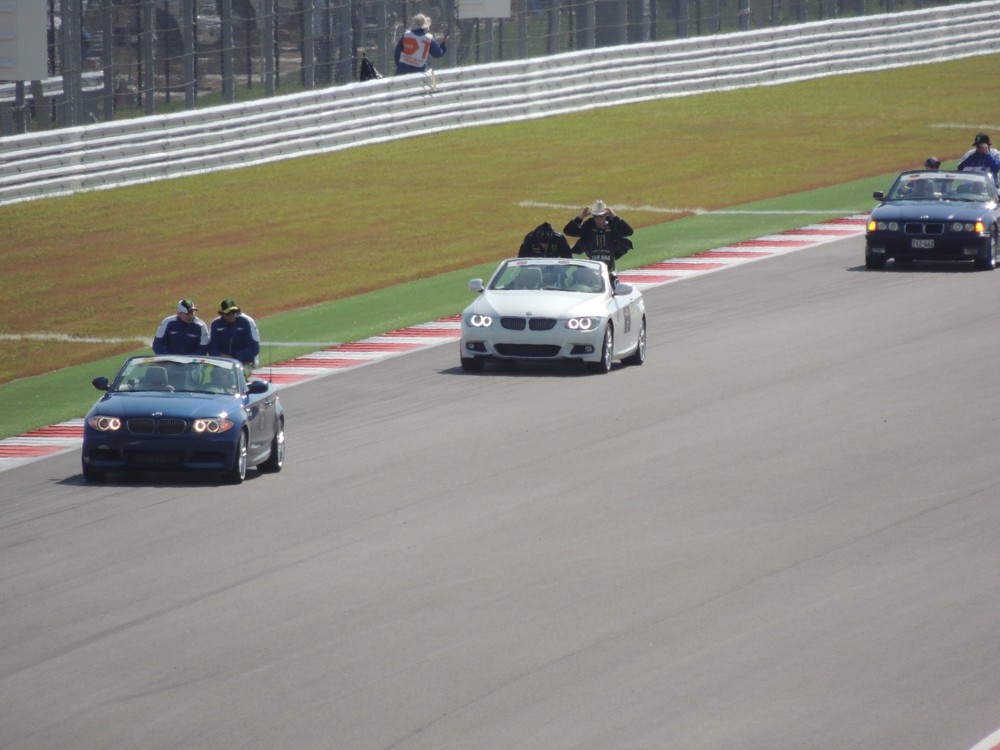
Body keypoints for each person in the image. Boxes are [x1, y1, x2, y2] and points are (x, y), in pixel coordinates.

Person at [563, 200, 634, 279]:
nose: (598, 219)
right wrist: (581, 216)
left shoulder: (613, 226)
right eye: (596, 216)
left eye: (601, 216)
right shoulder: (588, 227)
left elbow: (629, 231)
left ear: (606, 214)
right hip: (592, 271)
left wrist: (614, 216)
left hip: (610, 270)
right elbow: (568, 231)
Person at [208, 298, 261, 374]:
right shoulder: (215, 324)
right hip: (223, 362)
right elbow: (212, 346)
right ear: (222, 314)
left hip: (245, 362)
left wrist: (234, 357)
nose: (232, 315)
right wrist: (220, 356)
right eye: (228, 313)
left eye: (234, 312)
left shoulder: (247, 322)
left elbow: (254, 348)